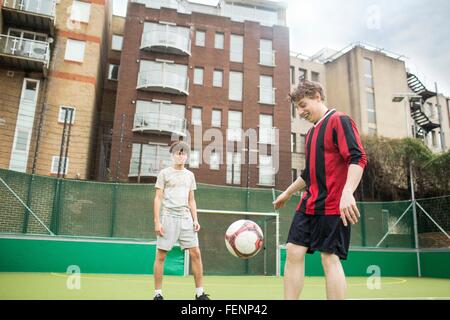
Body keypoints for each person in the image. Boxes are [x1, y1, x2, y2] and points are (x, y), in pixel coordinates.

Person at [273, 80, 367, 300]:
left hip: (334, 203)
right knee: (293, 251)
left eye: (303, 104)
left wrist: (347, 192)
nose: (300, 111)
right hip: (310, 203)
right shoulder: (311, 134)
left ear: (317, 96)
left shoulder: (339, 120)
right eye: (297, 107)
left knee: (328, 258)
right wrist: (287, 192)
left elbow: (357, 157)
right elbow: (309, 174)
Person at [153, 141, 210, 300]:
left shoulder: (190, 175)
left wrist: (195, 219)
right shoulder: (164, 173)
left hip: (186, 218)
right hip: (168, 217)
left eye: (184, 153)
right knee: (161, 256)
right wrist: (157, 221)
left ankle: (200, 294)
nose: (181, 155)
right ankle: (158, 294)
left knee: (196, 253)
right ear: (172, 155)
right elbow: (158, 198)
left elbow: (191, 200)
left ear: (186, 156)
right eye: (178, 153)